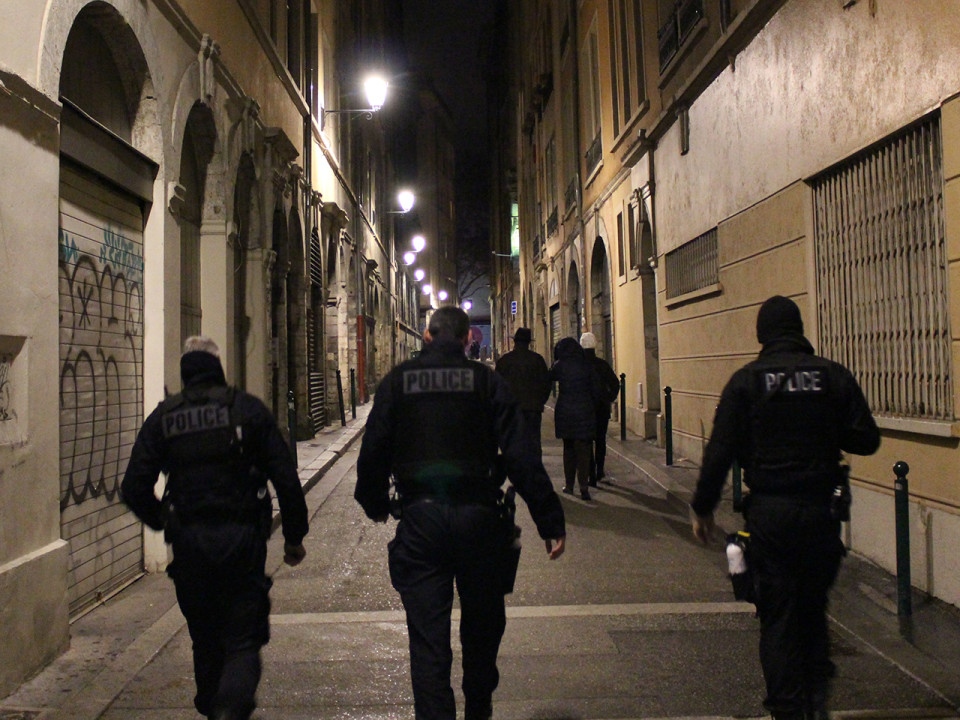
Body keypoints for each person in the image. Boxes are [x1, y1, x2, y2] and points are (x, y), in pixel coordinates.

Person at [355, 307, 565, 720]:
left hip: (420, 521)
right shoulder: (487, 382)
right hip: (480, 520)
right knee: (482, 632)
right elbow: (521, 455)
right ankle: (479, 708)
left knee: (429, 645)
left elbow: (373, 453)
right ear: (469, 338)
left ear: (428, 337)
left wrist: (377, 505)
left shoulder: (399, 382)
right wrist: (549, 519)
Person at [690, 296, 880, 720]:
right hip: (821, 515)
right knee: (813, 609)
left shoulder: (746, 382)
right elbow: (866, 438)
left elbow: (719, 452)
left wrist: (702, 509)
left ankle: (788, 710)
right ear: (799, 330)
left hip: (771, 517)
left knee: (777, 617)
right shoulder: (832, 376)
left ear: (762, 334)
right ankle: (816, 700)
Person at [121, 336, 309, 720]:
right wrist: (293, 538)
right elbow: (286, 477)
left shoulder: (165, 417)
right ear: (218, 366)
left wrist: (163, 521)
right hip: (242, 542)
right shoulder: (247, 409)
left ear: (185, 370)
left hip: (190, 546)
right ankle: (229, 709)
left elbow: (133, 486)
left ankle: (213, 706)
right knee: (242, 641)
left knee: (204, 640)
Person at [549, 336, 600, 500]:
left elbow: (549, 377)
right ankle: (584, 487)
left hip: (566, 412)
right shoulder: (586, 365)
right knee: (584, 450)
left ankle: (569, 485)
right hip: (584, 411)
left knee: (568, 449)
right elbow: (596, 388)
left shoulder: (560, 365)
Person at [495, 327, 551, 456]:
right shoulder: (537, 360)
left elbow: (496, 385)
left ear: (515, 342)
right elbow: (546, 384)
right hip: (533, 408)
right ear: (528, 343)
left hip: (511, 409)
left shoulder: (504, 361)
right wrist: (540, 401)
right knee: (533, 442)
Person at [579, 332, 620, 486]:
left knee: (587, 441)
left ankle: (590, 472)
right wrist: (608, 398)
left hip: (585, 409)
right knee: (601, 440)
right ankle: (600, 470)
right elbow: (615, 384)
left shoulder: (580, 366)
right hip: (602, 409)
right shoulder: (602, 365)